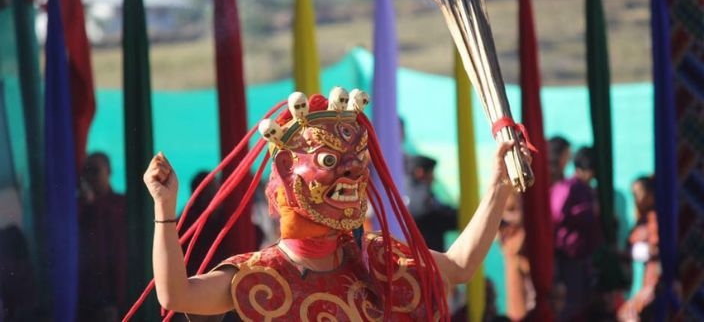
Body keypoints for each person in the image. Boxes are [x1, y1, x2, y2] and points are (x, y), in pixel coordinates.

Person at [138, 88, 532, 320]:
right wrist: (164, 208)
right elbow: (177, 295)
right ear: (286, 175)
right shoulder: (261, 276)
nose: (352, 174)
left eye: (357, 162)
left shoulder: (376, 258)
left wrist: (498, 184)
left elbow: (460, 267)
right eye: (330, 161)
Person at [550, 146, 603, 321]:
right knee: (569, 304)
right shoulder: (568, 187)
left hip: (582, 256)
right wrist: (587, 211)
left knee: (582, 302)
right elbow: (557, 215)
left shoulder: (586, 189)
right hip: (567, 256)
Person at [78, 152, 128, 322]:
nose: (90, 177)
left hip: (116, 290)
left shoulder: (122, 204)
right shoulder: (79, 207)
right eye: (86, 171)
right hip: (85, 292)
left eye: (95, 171)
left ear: (109, 171)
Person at [618, 176, 659, 322]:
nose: (634, 198)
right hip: (641, 284)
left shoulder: (655, 219)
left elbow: (657, 249)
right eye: (633, 194)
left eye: (638, 193)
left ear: (650, 194)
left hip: (654, 284)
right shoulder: (641, 219)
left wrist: (640, 251)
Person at [405, 154, 457, 251]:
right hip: (425, 258)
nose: (434, 179)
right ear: (420, 172)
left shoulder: (406, 190)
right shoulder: (419, 195)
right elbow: (436, 213)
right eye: (431, 173)